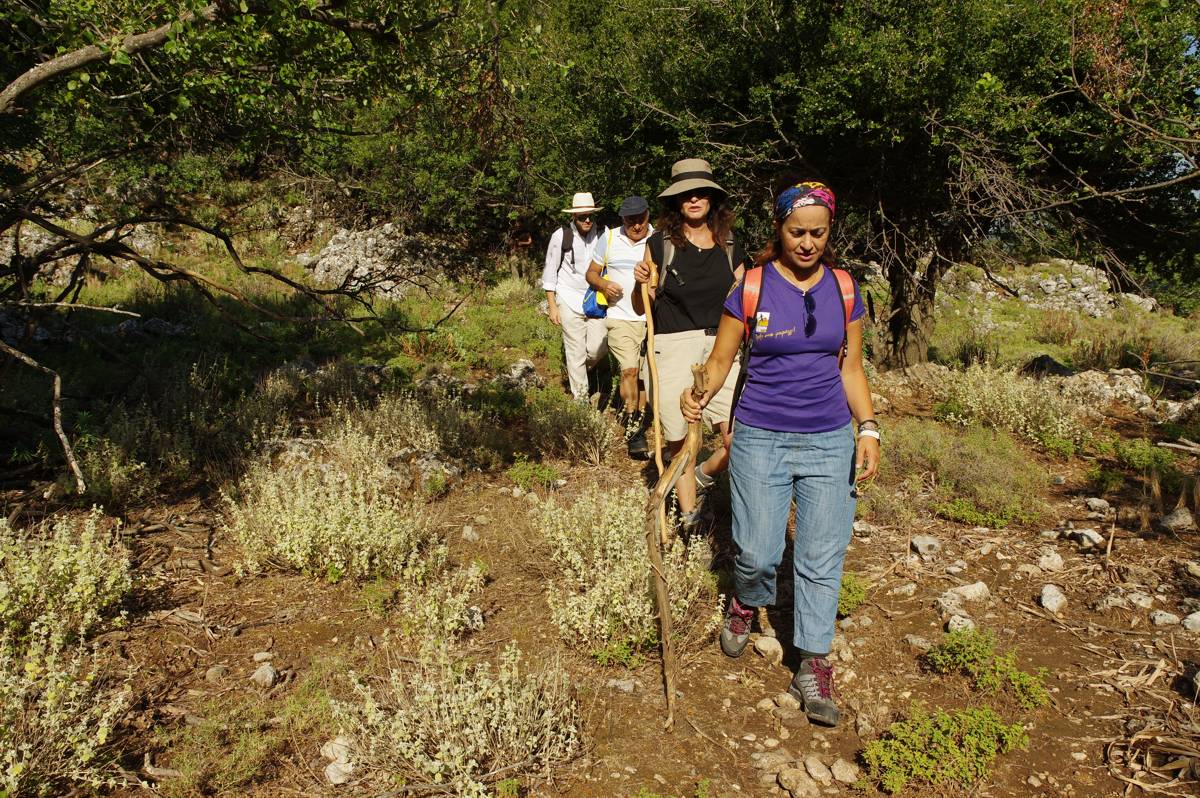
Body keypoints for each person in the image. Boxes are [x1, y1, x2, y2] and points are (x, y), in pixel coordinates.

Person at [681, 179, 880, 728]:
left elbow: (852, 368)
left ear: (829, 231)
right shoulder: (751, 284)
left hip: (828, 439)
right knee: (758, 552)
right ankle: (747, 601)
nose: (808, 242)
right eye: (797, 232)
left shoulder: (844, 288)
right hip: (760, 438)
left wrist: (868, 428)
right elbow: (722, 360)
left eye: (818, 233)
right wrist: (698, 392)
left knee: (821, 558)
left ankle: (813, 662)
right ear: (779, 228)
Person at [633, 158, 748, 524]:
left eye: (701, 193)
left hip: (722, 349)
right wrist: (640, 281)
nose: (694, 199)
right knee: (680, 438)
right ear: (676, 201)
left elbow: (745, 297)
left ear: (713, 198)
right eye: (686, 194)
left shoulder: (730, 244)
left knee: (737, 438)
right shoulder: (659, 245)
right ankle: (690, 516)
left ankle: (706, 475)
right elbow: (642, 306)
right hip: (672, 345)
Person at [586, 196, 652, 434]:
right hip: (619, 317)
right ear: (622, 219)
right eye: (630, 221)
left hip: (652, 320)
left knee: (644, 376)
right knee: (629, 370)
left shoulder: (658, 239)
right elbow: (591, 274)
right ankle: (632, 421)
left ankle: (640, 418)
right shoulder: (610, 237)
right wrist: (603, 284)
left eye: (640, 220)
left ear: (648, 215)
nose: (636, 226)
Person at [542, 192, 608, 402]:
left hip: (596, 300)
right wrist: (552, 305)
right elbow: (550, 271)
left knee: (598, 348)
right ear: (573, 217)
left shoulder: (603, 234)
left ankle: (579, 370)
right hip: (569, 299)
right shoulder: (560, 236)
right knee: (575, 349)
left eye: (589, 215)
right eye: (582, 217)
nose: (587, 220)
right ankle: (580, 399)